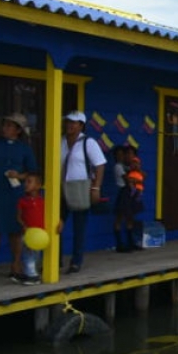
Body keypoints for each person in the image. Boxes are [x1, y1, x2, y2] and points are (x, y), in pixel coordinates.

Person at [0, 114, 37, 278]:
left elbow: (31, 172)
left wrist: (19, 176)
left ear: (18, 130)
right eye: (5, 125)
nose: (6, 128)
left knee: (15, 230)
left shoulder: (24, 148)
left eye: (10, 126)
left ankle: (15, 265)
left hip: (15, 194)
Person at [59, 111, 106, 274]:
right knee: (56, 223)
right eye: (68, 122)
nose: (70, 125)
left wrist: (96, 187)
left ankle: (76, 261)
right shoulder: (61, 142)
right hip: (62, 187)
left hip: (80, 187)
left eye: (75, 123)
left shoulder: (88, 142)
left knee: (79, 226)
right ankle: (55, 259)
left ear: (81, 125)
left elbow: (100, 165)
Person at [10, 172, 46, 286]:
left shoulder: (43, 201)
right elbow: (19, 217)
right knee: (28, 253)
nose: (26, 184)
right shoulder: (22, 201)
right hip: (28, 233)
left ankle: (33, 275)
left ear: (38, 185)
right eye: (25, 182)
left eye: (29, 182)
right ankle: (30, 275)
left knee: (35, 255)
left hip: (41, 234)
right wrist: (24, 225)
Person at [113, 153, 145, 253]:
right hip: (123, 192)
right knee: (120, 217)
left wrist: (137, 170)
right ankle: (119, 244)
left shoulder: (129, 167)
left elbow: (143, 176)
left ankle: (130, 242)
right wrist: (137, 179)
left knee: (130, 218)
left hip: (131, 194)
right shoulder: (118, 166)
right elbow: (128, 179)